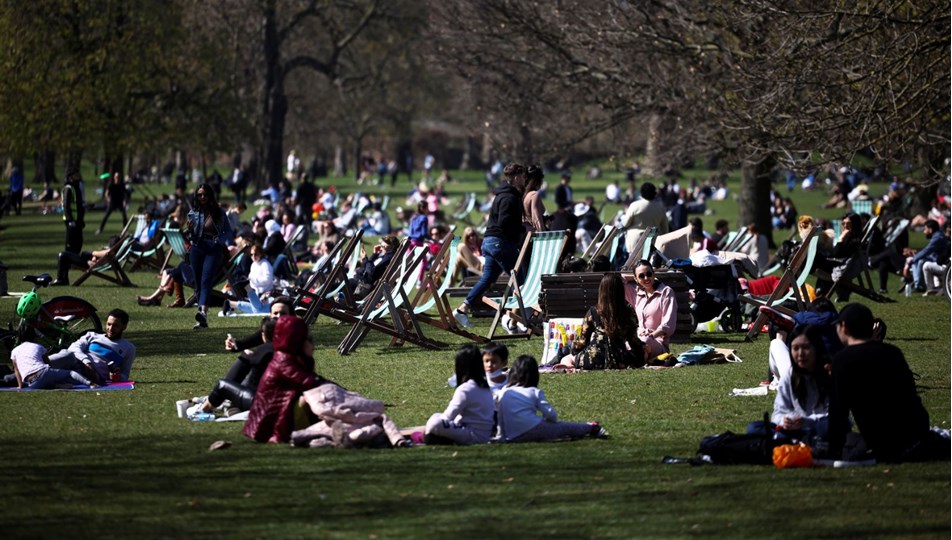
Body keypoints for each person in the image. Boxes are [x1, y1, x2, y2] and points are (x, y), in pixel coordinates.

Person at [825, 303, 949, 462]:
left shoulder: (842, 360)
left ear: (844, 327)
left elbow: (838, 412)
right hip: (916, 434)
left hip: (883, 443)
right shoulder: (892, 352)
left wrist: (834, 450)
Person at [453, 163, 526, 328]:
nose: (524, 180)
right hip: (501, 243)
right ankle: (514, 320)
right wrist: (522, 228)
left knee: (488, 279)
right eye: (522, 177)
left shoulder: (501, 195)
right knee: (521, 280)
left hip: (489, 242)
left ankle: (462, 309)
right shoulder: (509, 197)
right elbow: (504, 222)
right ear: (516, 178)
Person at [243, 316, 332, 444]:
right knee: (309, 400)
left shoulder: (297, 357)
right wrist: (339, 391)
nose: (312, 344)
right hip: (267, 425)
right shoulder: (282, 359)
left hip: (283, 412)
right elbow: (309, 382)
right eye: (306, 339)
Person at [747, 325, 832, 444]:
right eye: (795, 348)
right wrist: (784, 421)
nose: (801, 353)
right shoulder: (790, 375)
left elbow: (834, 414)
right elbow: (778, 412)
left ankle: (790, 440)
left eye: (806, 348)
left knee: (830, 426)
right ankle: (797, 440)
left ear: (816, 348)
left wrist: (806, 421)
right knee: (754, 427)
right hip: (793, 428)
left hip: (816, 427)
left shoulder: (827, 374)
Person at [496, 355, 608, 443]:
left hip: (513, 436)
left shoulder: (504, 391)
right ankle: (591, 427)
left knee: (551, 431)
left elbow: (500, 416)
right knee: (563, 427)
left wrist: (501, 436)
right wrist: (551, 423)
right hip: (533, 428)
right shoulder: (534, 391)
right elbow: (551, 414)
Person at [189, 317, 275, 417]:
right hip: (281, 399)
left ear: (263, 335)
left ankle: (202, 410)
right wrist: (236, 346)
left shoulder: (264, 350)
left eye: (282, 313)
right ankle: (226, 403)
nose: (278, 317)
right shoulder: (288, 349)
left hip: (259, 402)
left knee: (222, 385)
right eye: (275, 314)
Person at [561, 274, 644, 370]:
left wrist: (574, 350)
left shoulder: (594, 311)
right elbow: (633, 340)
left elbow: (582, 340)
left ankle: (569, 366)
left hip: (594, 358)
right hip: (619, 358)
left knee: (567, 357)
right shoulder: (628, 311)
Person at [424, 344, 494, 445]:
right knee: (436, 416)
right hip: (485, 434)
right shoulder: (485, 386)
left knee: (435, 422)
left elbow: (448, 416)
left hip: (472, 435)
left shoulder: (465, 389)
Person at [186, 183, 234, 329]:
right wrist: (189, 231)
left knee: (206, 280)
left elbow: (228, 231)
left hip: (213, 249)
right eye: (199, 195)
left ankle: (203, 313)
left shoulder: (219, 212)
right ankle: (202, 321)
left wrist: (218, 241)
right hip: (197, 248)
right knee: (198, 282)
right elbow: (190, 236)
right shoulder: (193, 213)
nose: (202, 197)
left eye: (205, 194)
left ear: (210, 195)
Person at [47, 308, 135, 385]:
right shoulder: (92, 335)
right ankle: (39, 364)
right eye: (109, 324)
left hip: (91, 375)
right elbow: (73, 348)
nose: (110, 328)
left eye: (115, 326)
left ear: (124, 326)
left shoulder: (129, 348)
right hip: (77, 361)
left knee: (57, 376)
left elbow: (125, 375)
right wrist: (87, 363)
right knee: (67, 354)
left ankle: (41, 374)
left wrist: (117, 377)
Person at [3, 327, 96, 389]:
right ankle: (91, 384)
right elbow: (48, 364)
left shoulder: (14, 351)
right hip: (43, 372)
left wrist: (20, 386)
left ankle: (56, 385)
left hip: (31, 383)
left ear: (19, 337)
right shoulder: (38, 346)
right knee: (70, 373)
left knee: (47, 382)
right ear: (33, 337)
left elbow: (16, 370)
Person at [626, 260, 677, 360]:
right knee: (628, 342)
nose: (646, 278)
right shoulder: (636, 294)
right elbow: (619, 281)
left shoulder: (666, 292)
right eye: (641, 276)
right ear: (636, 279)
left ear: (654, 274)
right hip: (639, 338)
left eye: (649, 274)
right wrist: (632, 276)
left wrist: (652, 335)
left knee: (645, 341)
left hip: (657, 342)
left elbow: (668, 325)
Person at [814, 213, 864, 301]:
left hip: (842, 265)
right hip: (839, 262)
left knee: (818, 262)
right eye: (843, 223)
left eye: (847, 223)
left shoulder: (854, 239)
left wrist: (841, 238)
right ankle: (821, 292)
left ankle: (820, 292)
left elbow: (836, 253)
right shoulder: (851, 237)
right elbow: (836, 252)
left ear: (854, 224)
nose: (844, 226)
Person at [223, 244, 275, 316]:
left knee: (258, 310)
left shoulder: (265, 264)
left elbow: (268, 279)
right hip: (256, 293)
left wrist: (253, 279)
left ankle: (231, 304)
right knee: (259, 309)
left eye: (255, 254)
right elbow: (250, 276)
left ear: (261, 253)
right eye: (251, 255)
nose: (253, 256)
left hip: (266, 293)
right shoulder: (253, 264)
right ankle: (231, 303)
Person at [622, 182, 669, 256]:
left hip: (635, 242)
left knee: (632, 266)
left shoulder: (634, 205)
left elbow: (625, 224)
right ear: (654, 193)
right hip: (653, 243)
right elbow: (665, 229)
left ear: (641, 193)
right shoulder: (660, 207)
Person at [903, 219, 949, 293]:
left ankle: (920, 286)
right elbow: (928, 252)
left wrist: (910, 263)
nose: (924, 232)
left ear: (930, 230)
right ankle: (918, 285)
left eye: (925, 229)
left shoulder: (937, 238)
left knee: (920, 261)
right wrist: (916, 254)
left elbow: (926, 251)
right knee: (917, 259)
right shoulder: (938, 235)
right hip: (939, 261)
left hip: (943, 264)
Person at [349, 234, 399, 299]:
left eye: (383, 246)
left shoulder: (389, 258)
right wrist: (374, 254)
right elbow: (367, 266)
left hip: (364, 287)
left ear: (392, 247)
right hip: (361, 281)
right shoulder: (384, 256)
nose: (381, 247)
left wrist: (364, 258)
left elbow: (371, 271)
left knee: (343, 284)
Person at [62, 168, 86, 255]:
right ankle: (68, 258)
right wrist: (70, 219)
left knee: (79, 241)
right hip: (71, 220)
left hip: (77, 219)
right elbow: (66, 206)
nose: (78, 176)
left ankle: (75, 257)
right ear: (71, 177)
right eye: (75, 175)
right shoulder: (68, 188)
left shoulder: (76, 187)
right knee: (71, 241)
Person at [522, 165, 546, 233]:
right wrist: (543, 235)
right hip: (532, 235)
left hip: (523, 234)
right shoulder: (534, 195)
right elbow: (536, 218)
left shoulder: (522, 194)